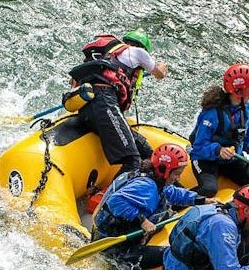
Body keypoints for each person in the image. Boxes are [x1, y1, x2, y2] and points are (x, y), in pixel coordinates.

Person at [65, 31, 170, 175]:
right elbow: (159, 74)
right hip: (104, 102)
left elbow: (73, 84)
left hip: (89, 105)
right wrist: (162, 65)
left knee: (146, 151)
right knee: (132, 161)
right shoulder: (138, 52)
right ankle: (114, 198)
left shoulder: (102, 58)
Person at [92, 144, 204, 269]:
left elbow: (173, 192)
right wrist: (142, 221)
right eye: (176, 174)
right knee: (171, 254)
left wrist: (201, 200)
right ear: (164, 170)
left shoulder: (153, 177)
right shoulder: (147, 187)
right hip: (114, 247)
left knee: (165, 214)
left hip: (110, 232)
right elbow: (115, 201)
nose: (178, 178)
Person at [188, 63, 249, 197]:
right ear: (240, 91)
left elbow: (247, 138)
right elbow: (198, 146)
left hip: (231, 160)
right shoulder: (211, 113)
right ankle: (175, 204)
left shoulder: (248, 110)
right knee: (208, 189)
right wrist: (218, 150)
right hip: (205, 159)